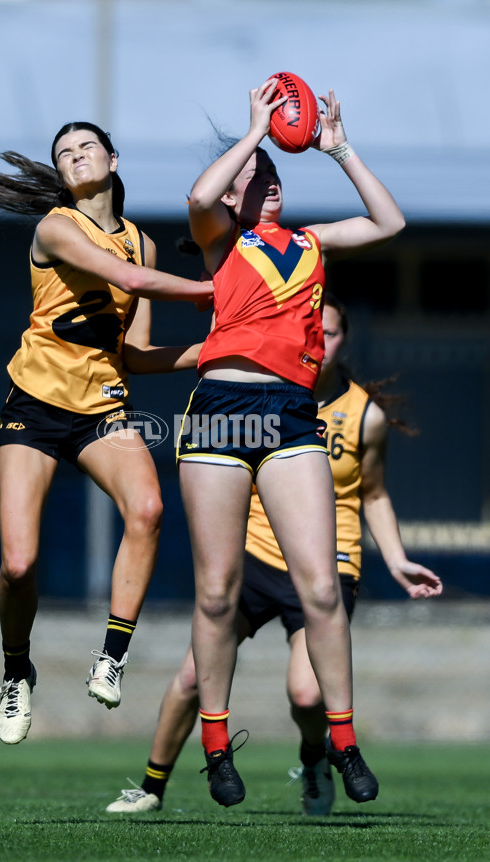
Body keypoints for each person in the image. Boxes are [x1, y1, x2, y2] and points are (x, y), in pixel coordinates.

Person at [105, 293, 443, 815]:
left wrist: (396, 559)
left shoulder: (364, 416)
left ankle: (314, 759)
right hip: (255, 560)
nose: (322, 341)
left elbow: (373, 493)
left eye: (331, 334)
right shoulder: (260, 394)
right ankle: (151, 788)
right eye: (316, 331)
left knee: (307, 696)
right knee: (193, 676)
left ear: (344, 340)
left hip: (326, 566)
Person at [171, 79, 407, 808]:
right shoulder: (222, 239)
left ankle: (341, 739)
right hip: (219, 409)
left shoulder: (310, 242)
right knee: (216, 592)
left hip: (290, 412)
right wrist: (253, 133)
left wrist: (339, 150)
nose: (266, 181)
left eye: (273, 174)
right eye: (255, 176)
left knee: (320, 586)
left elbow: (388, 222)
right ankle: (215, 745)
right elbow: (197, 198)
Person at [0, 122, 213, 745]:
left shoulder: (144, 244)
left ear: (113, 159)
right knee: (19, 565)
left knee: (150, 509)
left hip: (103, 408)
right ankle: (17, 670)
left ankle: (112, 655)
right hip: (36, 407)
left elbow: (138, 354)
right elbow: (127, 282)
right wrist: (219, 291)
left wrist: (216, 346)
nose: (74, 158)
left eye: (85, 148)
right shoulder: (57, 226)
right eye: (63, 153)